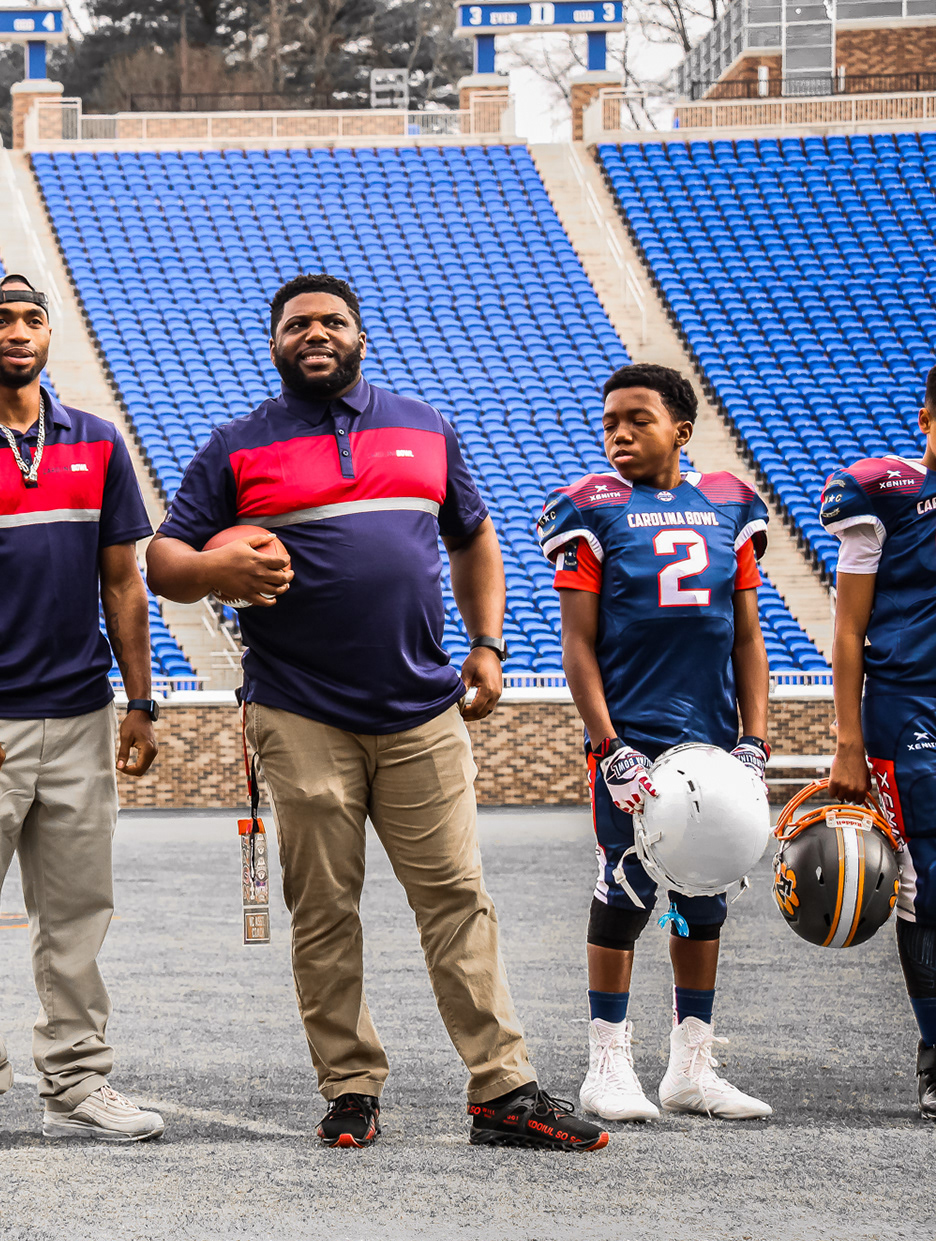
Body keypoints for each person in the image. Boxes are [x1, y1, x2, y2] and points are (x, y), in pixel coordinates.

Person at [145, 273, 607, 1152]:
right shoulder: (236, 445)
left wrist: (487, 644)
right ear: (274, 343)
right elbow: (163, 562)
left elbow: (473, 536)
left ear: (360, 336)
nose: (314, 333)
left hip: (421, 708)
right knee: (324, 908)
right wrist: (215, 571)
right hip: (299, 710)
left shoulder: (425, 425)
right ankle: (350, 1087)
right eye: (296, 325)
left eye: (332, 321)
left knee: (458, 898)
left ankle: (503, 1088)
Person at [0, 274, 163, 1150]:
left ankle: (76, 1083)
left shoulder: (99, 442)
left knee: (78, 910)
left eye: (33, 319)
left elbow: (123, 582)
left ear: (50, 336)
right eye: (0, 319)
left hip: (82, 712)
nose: (18, 330)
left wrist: (141, 702)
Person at [538, 363, 774, 1123]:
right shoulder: (590, 508)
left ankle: (690, 1068)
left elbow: (747, 637)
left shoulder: (729, 503)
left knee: (705, 892)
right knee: (624, 889)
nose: (619, 434)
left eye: (638, 419)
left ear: (682, 429)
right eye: (610, 422)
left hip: (711, 735)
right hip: (632, 735)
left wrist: (754, 740)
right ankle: (606, 1065)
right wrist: (608, 745)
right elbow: (577, 645)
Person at [820, 365, 936, 1122]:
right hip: (911, 707)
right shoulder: (888, 493)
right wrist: (848, 739)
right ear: (926, 419)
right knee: (927, 881)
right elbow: (848, 629)